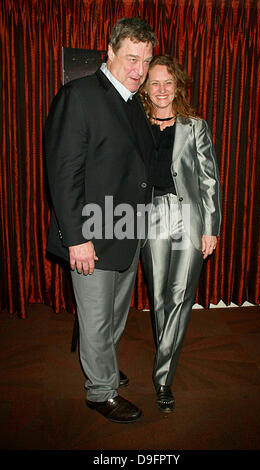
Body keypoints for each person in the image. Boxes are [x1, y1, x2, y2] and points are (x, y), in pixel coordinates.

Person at [45, 18, 157, 424]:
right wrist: (77, 238)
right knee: (95, 317)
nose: (139, 70)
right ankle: (100, 391)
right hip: (91, 233)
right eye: (131, 58)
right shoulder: (80, 95)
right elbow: (63, 173)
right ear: (108, 52)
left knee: (113, 315)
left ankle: (102, 365)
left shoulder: (130, 100)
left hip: (125, 229)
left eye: (145, 61)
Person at [139, 55, 221, 413]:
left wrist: (211, 227)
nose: (161, 90)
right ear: (145, 87)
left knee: (180, 295)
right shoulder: (135, 124)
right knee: (158, 296)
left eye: (167, 83)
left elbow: (209, 180)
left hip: (189, 216)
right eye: (154, 82)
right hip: (150, 214)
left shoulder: (195, 126)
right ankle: (166, 358)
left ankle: (163, 378)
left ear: (178, 86)